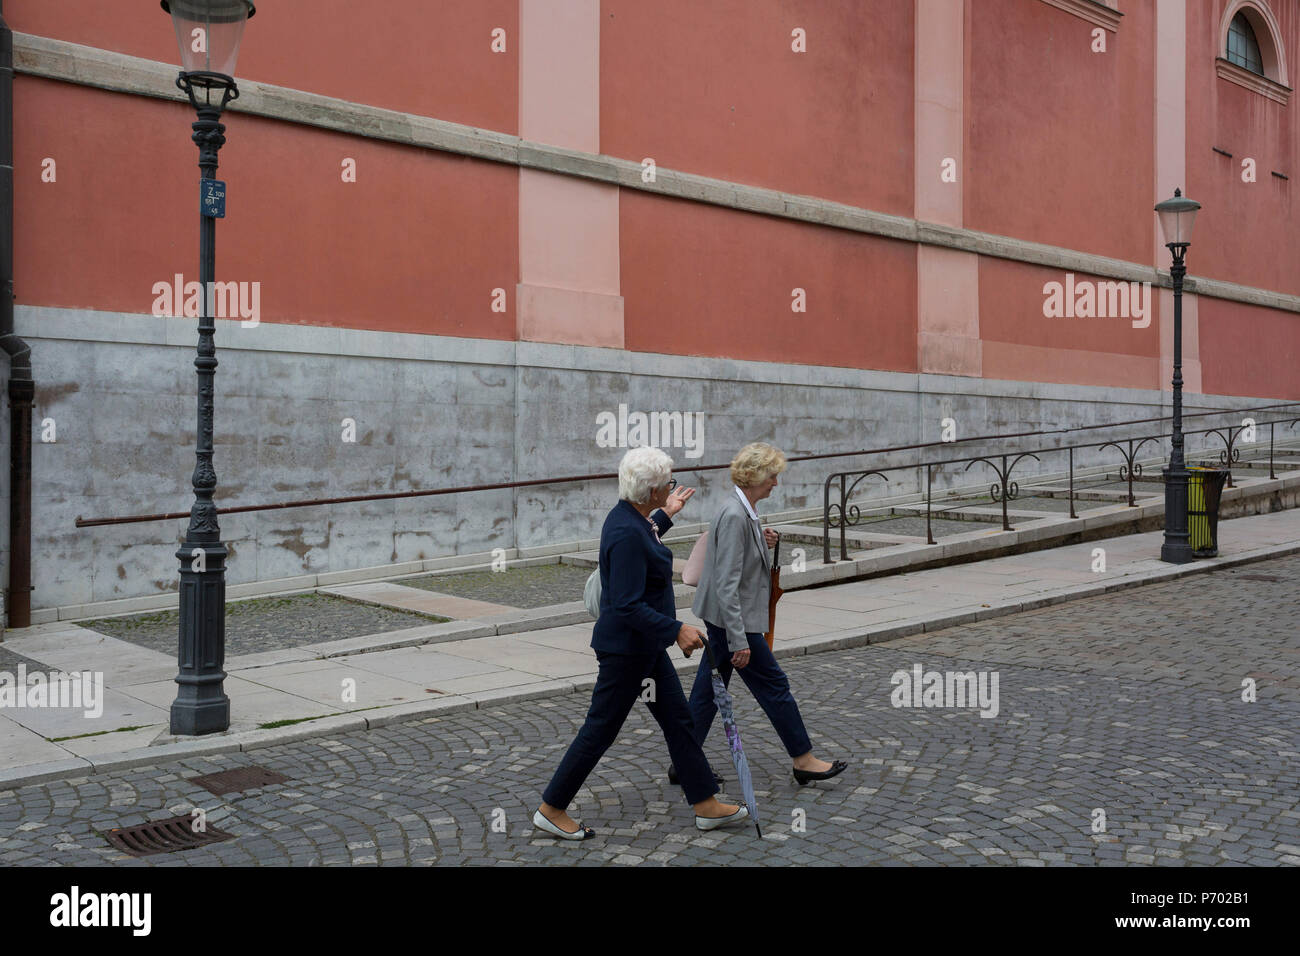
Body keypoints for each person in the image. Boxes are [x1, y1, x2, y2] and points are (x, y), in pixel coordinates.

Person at [534, 447, 749, 840]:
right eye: (665, 484)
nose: (670, 487)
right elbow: (625, 605)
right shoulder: (626, 531)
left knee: (679, 721)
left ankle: (706, 804)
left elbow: (646, 539)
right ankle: (551, 807)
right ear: (650, 491)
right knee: (599, 729)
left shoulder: (631, 519)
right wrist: (676, 629)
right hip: (626, 653)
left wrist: (666, 515)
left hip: (644, 649)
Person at [677, 442, 848, 787]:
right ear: (755, 476)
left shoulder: (742, 510)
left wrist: (761, 538)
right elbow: (727, 583)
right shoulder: (736, 514)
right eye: (772, 476)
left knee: (709, 691)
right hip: (734, 621)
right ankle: (804, 760)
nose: (776, 483)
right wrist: (739, 639)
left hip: (727, 618)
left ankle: (684, 761)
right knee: (774, 685)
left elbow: (736, 558)